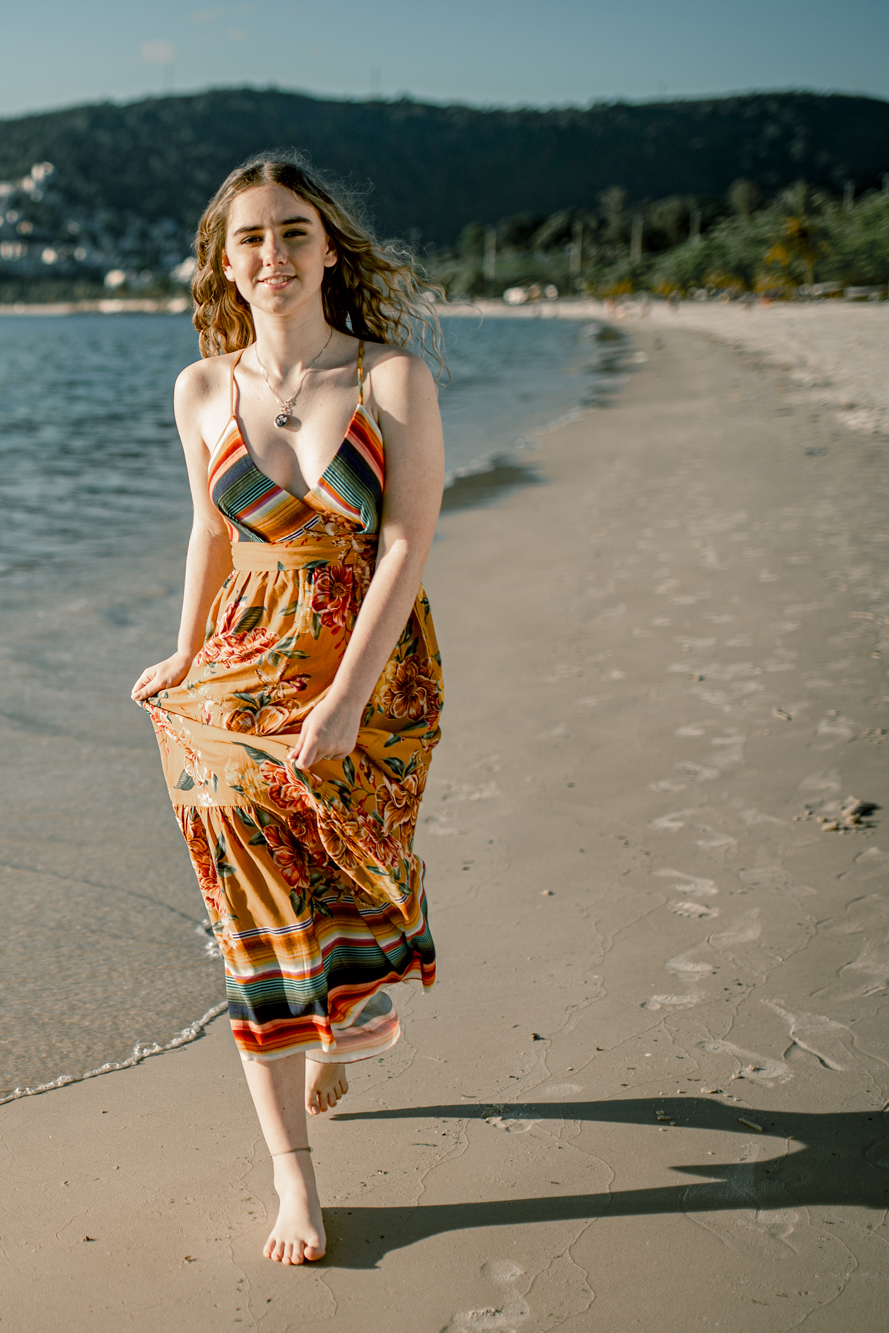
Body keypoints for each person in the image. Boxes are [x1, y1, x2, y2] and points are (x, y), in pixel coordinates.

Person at [131, 152, 444, 1265]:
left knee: (354, 863)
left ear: (328, 248)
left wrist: (350, 700)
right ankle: (292, 1181)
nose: (274, 252)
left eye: (294, 230)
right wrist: (181, 653)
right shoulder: (201, 387)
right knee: (242, 879)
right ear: (226, 260)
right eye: (251, 236)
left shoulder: (390, 380)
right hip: (238, 657)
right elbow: (213, 532)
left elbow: (405, 540)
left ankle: (347, 1005)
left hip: (368, 656)